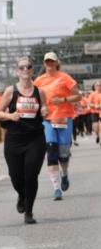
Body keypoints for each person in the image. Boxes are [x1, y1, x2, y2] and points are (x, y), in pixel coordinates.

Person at [0, 56, 48, 223]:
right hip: (15, 139)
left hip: (35, 138)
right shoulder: (11, 91)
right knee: (15, 176)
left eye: (28, 67)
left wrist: (45, 110)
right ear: (17, 71)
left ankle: (29, 212)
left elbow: (45, 107)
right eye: (22, 67)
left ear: (32, 70)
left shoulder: (40, 91)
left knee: (31, 175)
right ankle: (22, 195)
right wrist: (10, 115)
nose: (25, 70)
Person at [33, 51, 81, 200]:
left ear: (56, 62)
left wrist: (63, 99)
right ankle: (56, 188)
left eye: (51, 61)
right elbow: (33, 98)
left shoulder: (65, 78)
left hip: (64, 118)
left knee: (63, 154)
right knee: (51, 149)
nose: (49, 63)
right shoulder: (39, 81)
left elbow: (78, 96)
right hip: (47, 119)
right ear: (44, 63)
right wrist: (41, 108)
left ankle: (64, 174)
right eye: (47, 61)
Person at [90, 80, 101, 144]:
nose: (99, 87)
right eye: (97, 85)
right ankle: (97, 135)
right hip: (94, 112)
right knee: (96, 127)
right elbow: (89, 104)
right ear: (94, 87)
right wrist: (95, 105)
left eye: (100, 85)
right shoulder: (92, 94)